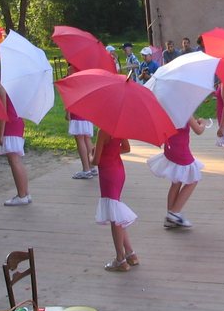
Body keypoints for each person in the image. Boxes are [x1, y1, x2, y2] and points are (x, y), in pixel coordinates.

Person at [91, 129, 138, 271]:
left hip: (107, 174)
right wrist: (111, 152)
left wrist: (91, 154)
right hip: (118, 170)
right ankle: (130, 253)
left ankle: (120, 259)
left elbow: (96, 161)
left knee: (114, 217)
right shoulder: (119, 129)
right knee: (116, 211)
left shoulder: (102, 131)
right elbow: (126, 148)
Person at [147, 116, 206, 228]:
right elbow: (198, 130)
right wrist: (202, 123)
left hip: (171, 148)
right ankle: (175, 212)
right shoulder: (185, 112)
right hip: (181, 151)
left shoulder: (168, 111)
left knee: (176, 182)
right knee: (193, 180)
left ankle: (170, 217)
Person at [0, 64, 31, 206]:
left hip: (10, 124)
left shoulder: (2, 87)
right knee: (17, 160)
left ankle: (21, 195)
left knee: (14, 161)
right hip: (17, 121)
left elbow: (3, 112)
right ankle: (25, 193)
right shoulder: (16, 85)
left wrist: (0, 134)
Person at [66, 63, 96, 179]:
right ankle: (92, 166)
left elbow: (70, 92)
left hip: (77, 109)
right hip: (87, 109)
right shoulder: (87, 69)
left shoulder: (72, 69)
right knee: (87, 138)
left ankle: (86, 169)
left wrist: (68, 111)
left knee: (80, 139)